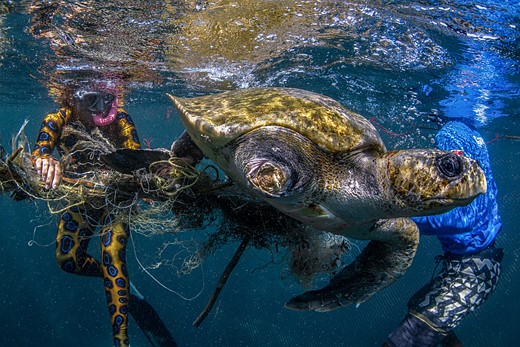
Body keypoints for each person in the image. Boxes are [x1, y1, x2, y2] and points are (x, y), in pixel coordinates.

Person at [31, 87, 176, 347]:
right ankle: (116, 280)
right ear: (71, 99)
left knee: (112, 256)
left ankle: (121, 341)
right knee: (68, 260)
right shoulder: (57, 120)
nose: (101, 107)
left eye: (108, 98)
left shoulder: (121, 119)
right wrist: (44, 159)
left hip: (117, 196)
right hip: (82, 196)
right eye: (91, 100)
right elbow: (40, 151)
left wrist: (149, 175)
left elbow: (135, 156)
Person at [383, 121, 503, 347]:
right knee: (419, 308)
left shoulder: (450, 133)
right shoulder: (472, 137)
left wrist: (391, 215)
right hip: (477, 264)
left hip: (474, 272)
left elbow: (460, 218)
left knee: (406, 339)